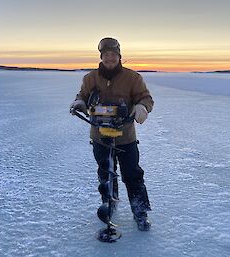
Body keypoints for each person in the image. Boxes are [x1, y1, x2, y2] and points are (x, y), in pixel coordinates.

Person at [70, 37, 154, 231]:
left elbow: (146, 98)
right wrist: (79, 104)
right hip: (100, 136)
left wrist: (142, 106)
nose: (110, 58)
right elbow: (81, 95)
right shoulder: (90, 78)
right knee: (105, 174)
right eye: (106, 55)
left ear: (119, 57)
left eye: (113, 55)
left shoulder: (133, 78)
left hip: (125, 137)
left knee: (133, 174)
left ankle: (140, 212)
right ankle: (109, 203)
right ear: (101, 56)